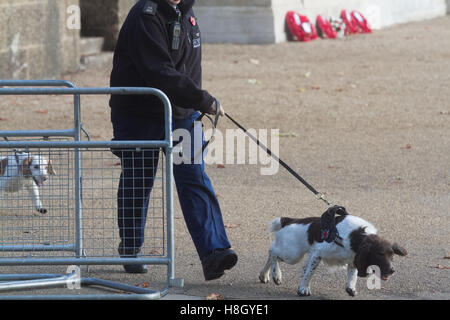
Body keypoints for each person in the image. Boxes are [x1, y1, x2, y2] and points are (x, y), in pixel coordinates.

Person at [109, 0, 237, 281]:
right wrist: (204, 100)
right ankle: (131, 249)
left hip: (180, 114)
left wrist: (194, 106)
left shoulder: (187, 12)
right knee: (138, 179)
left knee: (194, 177)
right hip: (138, 114)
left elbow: (189, 70)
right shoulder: (145, 15)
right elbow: (159, 71)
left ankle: (214, 252)